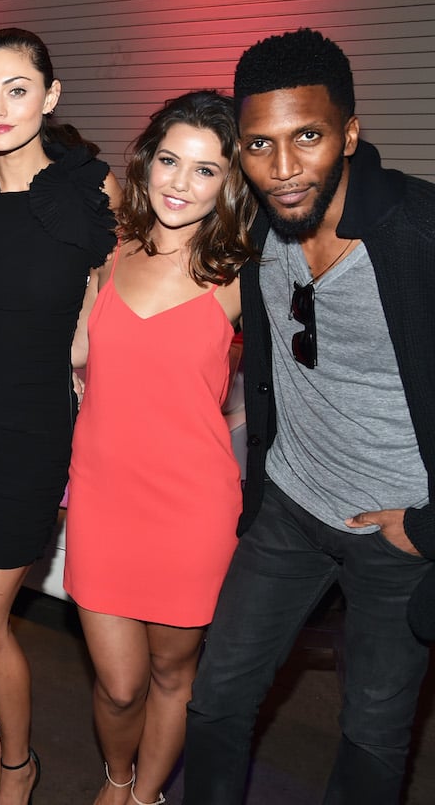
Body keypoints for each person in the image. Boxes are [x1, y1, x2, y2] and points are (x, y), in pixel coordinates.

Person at [184, 28, 435, 804]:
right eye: (259, 144)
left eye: (309, 137)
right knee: (216, 696)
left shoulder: (418, 234)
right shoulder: (258, 224)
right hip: (290, 505)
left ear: (351, 133)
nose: (284, 170)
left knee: (371, 734)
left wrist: (429, 527)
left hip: (398, 534)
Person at [0, 28, 121, 805]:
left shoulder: (90, 192)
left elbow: (107, 311)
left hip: (32, 433)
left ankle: (19, 768)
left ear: (51, 95)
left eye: (14, 88)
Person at [62, 91, 257, 805]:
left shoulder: (241, 278)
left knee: (176, 675)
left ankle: (140, 796)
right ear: (146, 164)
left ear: (231, 183)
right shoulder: (106, 260)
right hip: (103, 501)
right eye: (170, 160)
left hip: (192, 509)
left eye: (206, 171)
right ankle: (117, 775)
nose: (180, 183)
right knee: (118, 685)